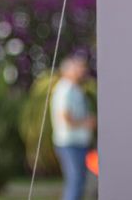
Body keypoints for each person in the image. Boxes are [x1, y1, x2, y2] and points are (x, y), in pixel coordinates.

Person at [50, 53, 96, 200]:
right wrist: (86, 122)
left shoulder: (76, 89)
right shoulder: (65, 89)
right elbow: (64, 117)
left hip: (79, 143)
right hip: (69, 144)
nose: (82, 70)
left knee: (79, 182)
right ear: (67, 70)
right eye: (78, 68)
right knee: (75, 182)